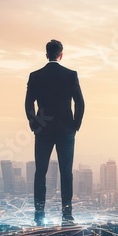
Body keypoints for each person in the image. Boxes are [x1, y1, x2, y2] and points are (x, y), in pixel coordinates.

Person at [25, 39, 84, 223]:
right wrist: (75, 125)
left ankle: (39, 214)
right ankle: (67, 214)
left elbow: (28, 104)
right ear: (61, 55)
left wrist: (35, 124)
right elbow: (80, 103)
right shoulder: (70, 75)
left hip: (43, 130)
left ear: (46, 54)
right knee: (66, 172)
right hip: (66, 129)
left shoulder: (35, 76)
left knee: (40, 171)